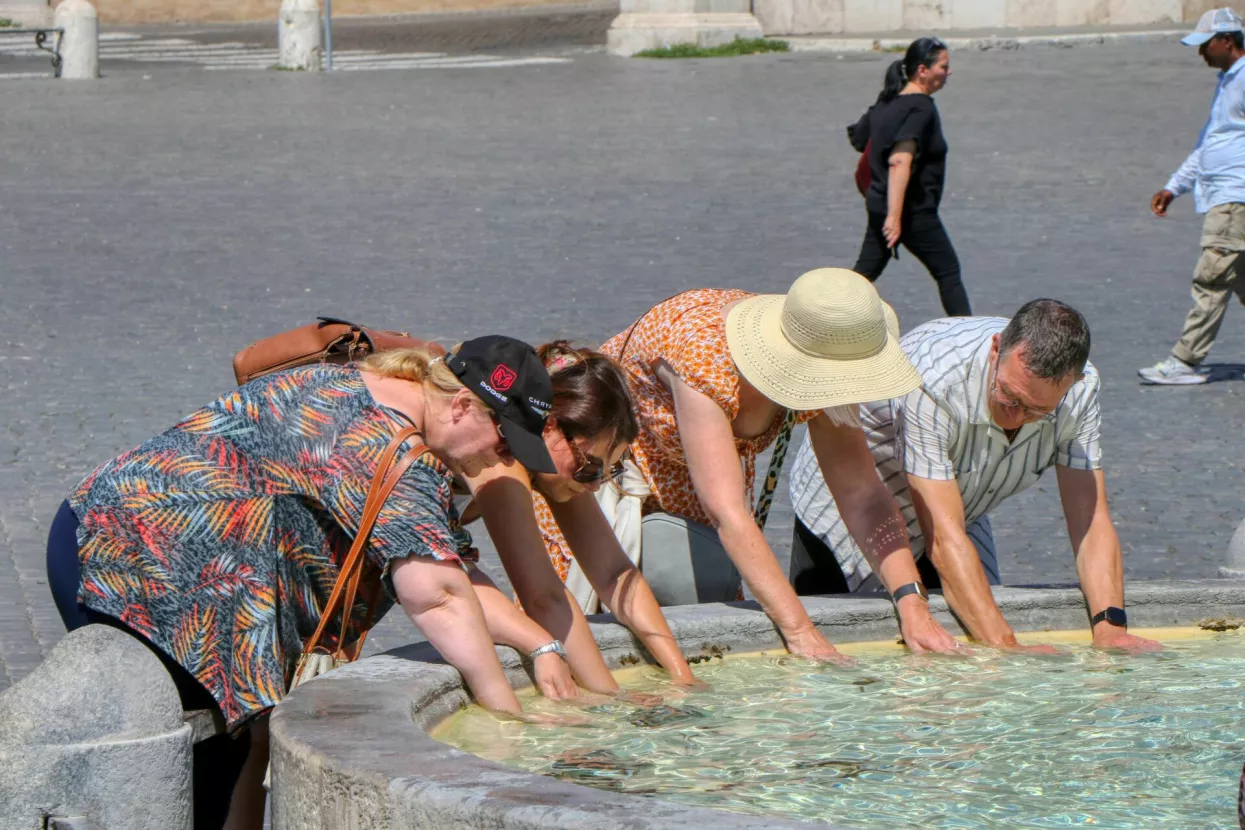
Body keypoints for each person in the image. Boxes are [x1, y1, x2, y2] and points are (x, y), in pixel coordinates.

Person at [44, 335, 673, 830]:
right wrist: (507, 724)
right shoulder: (393, 450)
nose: (496, 460)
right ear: (461, 406)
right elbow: (438, 595)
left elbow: (448, 569)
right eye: (499, 441)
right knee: (194, 768)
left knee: (228, 747)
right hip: (133, 565)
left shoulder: (378, 389)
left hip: (117, 532)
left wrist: (538, 647)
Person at [537, 268, 962, 662]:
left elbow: (863, 494)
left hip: (690, 480)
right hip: (597, 469)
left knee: (706, 609)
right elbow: (729, 513)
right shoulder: (704, 354)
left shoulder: (828, 341)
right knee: (574, 622)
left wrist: (911, 601)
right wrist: (800, 631)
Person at [788, 300, 1162, 655]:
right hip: (849, 514)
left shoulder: (1081, 391)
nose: (1015, 418)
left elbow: (1091, 521)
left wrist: (1110, 628)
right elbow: (944, 539)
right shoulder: (934, 378)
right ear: (996, 349)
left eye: (1038, 411)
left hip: (962, 502)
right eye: (1009, 398)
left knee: (967, 667)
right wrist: (1007, 648)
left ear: (1073, 382)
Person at [459, 341, 703, 698]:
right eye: (591, 469)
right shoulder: (504, 461)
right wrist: (614, 701)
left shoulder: (560, 465)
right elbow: (543, 597)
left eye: (610, 471)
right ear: (550, 427)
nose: (593, 488)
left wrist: (682, 676)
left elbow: (614, 574)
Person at [1140, 8, 1245, 385]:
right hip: (1224, 195)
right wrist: (1174, 186)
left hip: (1236, 197)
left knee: (1212, 279)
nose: (1201, 52)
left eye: (1206, 44)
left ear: (1227, 41)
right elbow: (1209, 144)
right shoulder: (1227, 82)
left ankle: (1184, 360)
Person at [847, 36, 971, 318]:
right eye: (943, 66)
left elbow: (859, 138)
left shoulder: (887, 103)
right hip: (910, 210)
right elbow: (900, 160)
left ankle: (822, 316)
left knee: (863, 274)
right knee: (948, 271)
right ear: (922, 70)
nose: (948, 72)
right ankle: (971, 339)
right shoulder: (921, 108)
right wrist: (895, 216)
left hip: (879, 202)